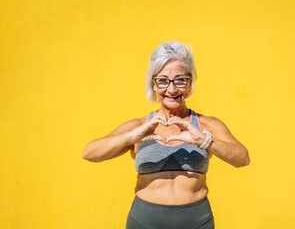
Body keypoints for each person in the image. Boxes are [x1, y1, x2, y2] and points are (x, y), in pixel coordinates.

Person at [82, 41, 250, 229]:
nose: (171, 90)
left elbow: (242, 158)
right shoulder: (139, 126)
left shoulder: (206, 125)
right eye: (163, 80)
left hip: (197, 222)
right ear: (153, 84)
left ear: (190, 82)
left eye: (180, 80)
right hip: (144, 222)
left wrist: (204, 141)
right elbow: (89, 153)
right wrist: (129, 138)